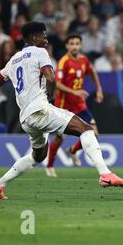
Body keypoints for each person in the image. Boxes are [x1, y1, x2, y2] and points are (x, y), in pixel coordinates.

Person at [0, 22, 123, 200]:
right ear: (31, 38)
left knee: (38, 156)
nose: (45, 39)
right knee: (86, 129)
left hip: (26, 118)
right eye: (42, 35)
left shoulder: (14, 60)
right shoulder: (39, 52)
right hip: (40, 110)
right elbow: (51, 78)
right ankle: (105, 173)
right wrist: (51, 98)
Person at [46, 34, 104, 177]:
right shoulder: (63, 62)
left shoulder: (84, 60)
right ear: (67, 46)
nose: (74, 46)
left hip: (79, 105)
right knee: (59, 138)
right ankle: (50, 166)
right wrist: (75, 92)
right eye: (71, 43)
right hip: (64, 106)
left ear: (81, 46)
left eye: (77, 43)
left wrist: (99, 89)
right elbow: (57, 83)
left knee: (94, 133)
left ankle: (72, 151)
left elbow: (93, 72)